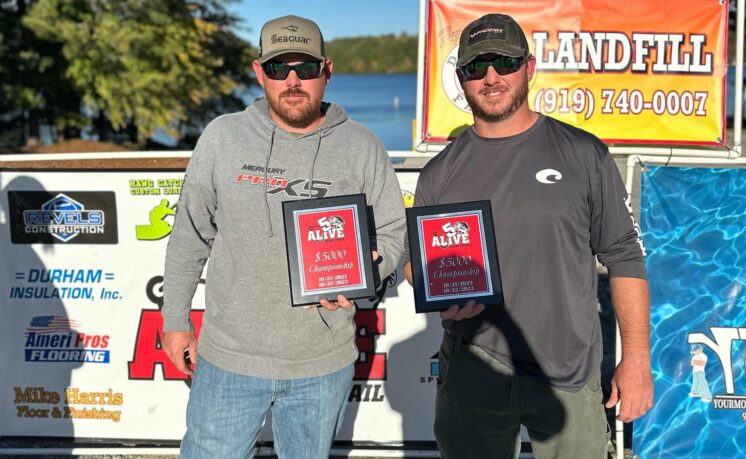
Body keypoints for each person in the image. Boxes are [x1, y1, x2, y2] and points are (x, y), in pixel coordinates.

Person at [403, 13, 653, 458]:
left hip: (568, 371)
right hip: (472, 365)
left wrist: (635, 361)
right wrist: (433, 287)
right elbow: (414, 262)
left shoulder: (583, 152)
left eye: (504, 62)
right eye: (476, 67)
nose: (492, 77)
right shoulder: (439, 173)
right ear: (462, 80)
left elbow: (624, 256)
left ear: (530, 67)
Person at [161, 15, 405, 459]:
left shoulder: (363, 146)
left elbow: (393, 234)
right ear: (260, 72)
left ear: (327, 71)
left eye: (306, 69)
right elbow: (189, 236)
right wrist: (174, 320)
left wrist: (366, 271)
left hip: (322, 363)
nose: (293, 81)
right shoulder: (222, 137)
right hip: (227, 359)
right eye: (278, 69)